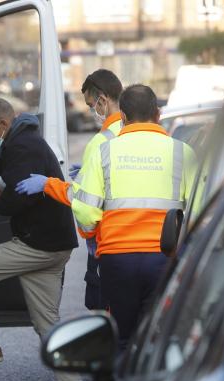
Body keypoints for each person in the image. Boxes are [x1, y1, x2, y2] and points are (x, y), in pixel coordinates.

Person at [0, 98, 92, 381]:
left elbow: (19, 197)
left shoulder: (22, 146)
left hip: (38, 245)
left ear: (2, 123)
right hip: (55, 245)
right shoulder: (24, 140)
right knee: (48, 324)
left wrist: (1, 202)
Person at [70, 84, 197, 350]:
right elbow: (201, 207)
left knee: (121, 338)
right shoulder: (181, 152)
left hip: (118, 260)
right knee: (159, 337)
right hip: (165, 259)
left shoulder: (105, 151)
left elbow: (84, 209)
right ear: (158, 114)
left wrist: (92, 232)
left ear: (124, 117)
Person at [16, 69, 124, 311]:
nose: (90, 111)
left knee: (111, 321)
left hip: (110, 245)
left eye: (90, 104)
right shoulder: (135, 130)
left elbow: (87, 208)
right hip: (154, 247)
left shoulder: (102, 141)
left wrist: (48, 184)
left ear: (103, 100)